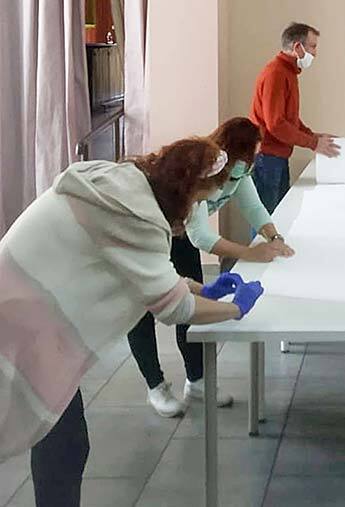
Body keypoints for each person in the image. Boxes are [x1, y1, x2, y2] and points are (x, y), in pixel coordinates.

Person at [0, 138, 265, 507]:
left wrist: (203, 289)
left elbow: (150, 274)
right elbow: (173, 307)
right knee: (63, 444)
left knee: (64, 441)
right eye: (200, 201)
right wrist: (236, 308)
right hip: (26, 325)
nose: (197, 211)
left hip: (20, 305)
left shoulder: (124, 183)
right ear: (185, 192)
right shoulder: (136, 215)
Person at [127, 118, 295, 418]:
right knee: (142, 309)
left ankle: (197, 380)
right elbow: (201, 237)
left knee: (189, 301)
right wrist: (248, 258)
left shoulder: (237, 172)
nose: (252, 165)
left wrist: (274, 237)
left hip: (179, 235)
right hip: (151, 235)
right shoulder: (200, 173)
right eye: (250, 157)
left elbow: (253, 207)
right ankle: (156, 386)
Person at [250, 21, 341, 214]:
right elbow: (276, 124)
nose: (315, 53)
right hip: (267, 158)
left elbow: (290, 119)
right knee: (267, 219)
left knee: (279, 216)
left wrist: (313, 136)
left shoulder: (287, 73)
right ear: (298, 47)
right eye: (313, 46)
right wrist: (313, 143)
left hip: (276, 157)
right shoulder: (276, 73)